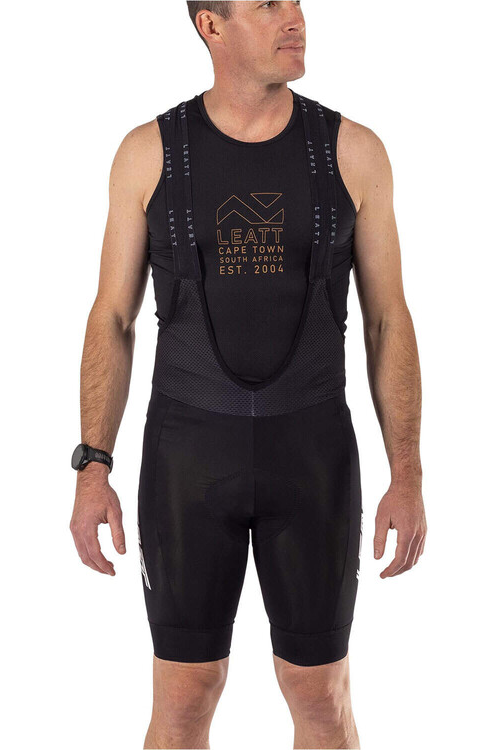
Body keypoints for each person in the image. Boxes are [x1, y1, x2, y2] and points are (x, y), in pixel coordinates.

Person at [69, 2, 427, 748]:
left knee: (320, 695)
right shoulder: (148, 152)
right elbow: (112, 318)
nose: (295, 17)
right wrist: (92, 467)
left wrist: (408, 474)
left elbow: (389, 320)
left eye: (295, 0)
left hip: (314, 461)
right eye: (268, 4)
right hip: (188, 464)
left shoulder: (353, 151)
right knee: (184, 697)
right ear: (212, 26)